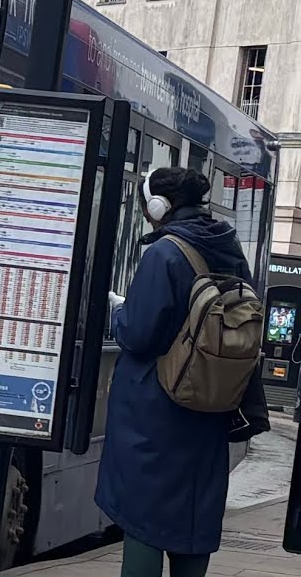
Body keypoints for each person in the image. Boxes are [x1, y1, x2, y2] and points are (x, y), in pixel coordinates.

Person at [96, 166, 253, 577]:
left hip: (157, 410)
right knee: (193, 517)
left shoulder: (165, 253)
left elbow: (139, 333)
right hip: (211, 410)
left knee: (144, 515)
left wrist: (118, 311)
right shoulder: (230, 249)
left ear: (158, 206)